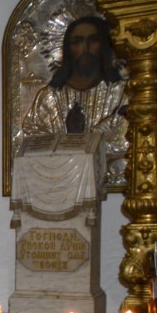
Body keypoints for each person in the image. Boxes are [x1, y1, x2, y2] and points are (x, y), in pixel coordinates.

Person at [19, 15, 127, 187]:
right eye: (77, 42)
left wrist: (80, 139)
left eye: (93, 40)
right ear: (67, 50)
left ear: (104, 47)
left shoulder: (123, 93)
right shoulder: (48, 97)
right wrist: (71, 139)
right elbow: (33, 145)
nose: (85, 49)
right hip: (58, 186)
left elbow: (124, 141)